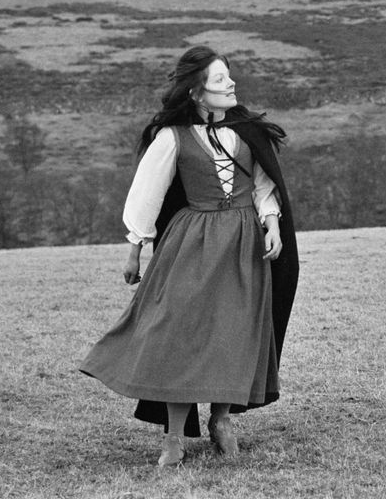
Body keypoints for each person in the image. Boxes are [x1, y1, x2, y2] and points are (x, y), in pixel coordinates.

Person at [80, 45, 298, 467]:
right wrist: (135, 249)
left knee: (233, 332)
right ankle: (173, 439)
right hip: (192, 241)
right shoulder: (171, 137)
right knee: (178, 335)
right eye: (220, 80)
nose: (231, 84)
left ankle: (222, 420)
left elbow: (263, 185)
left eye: (229, 77)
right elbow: (147, 194)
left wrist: (271, 222)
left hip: (243, 242)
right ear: (197, 93)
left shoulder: (246, 131)